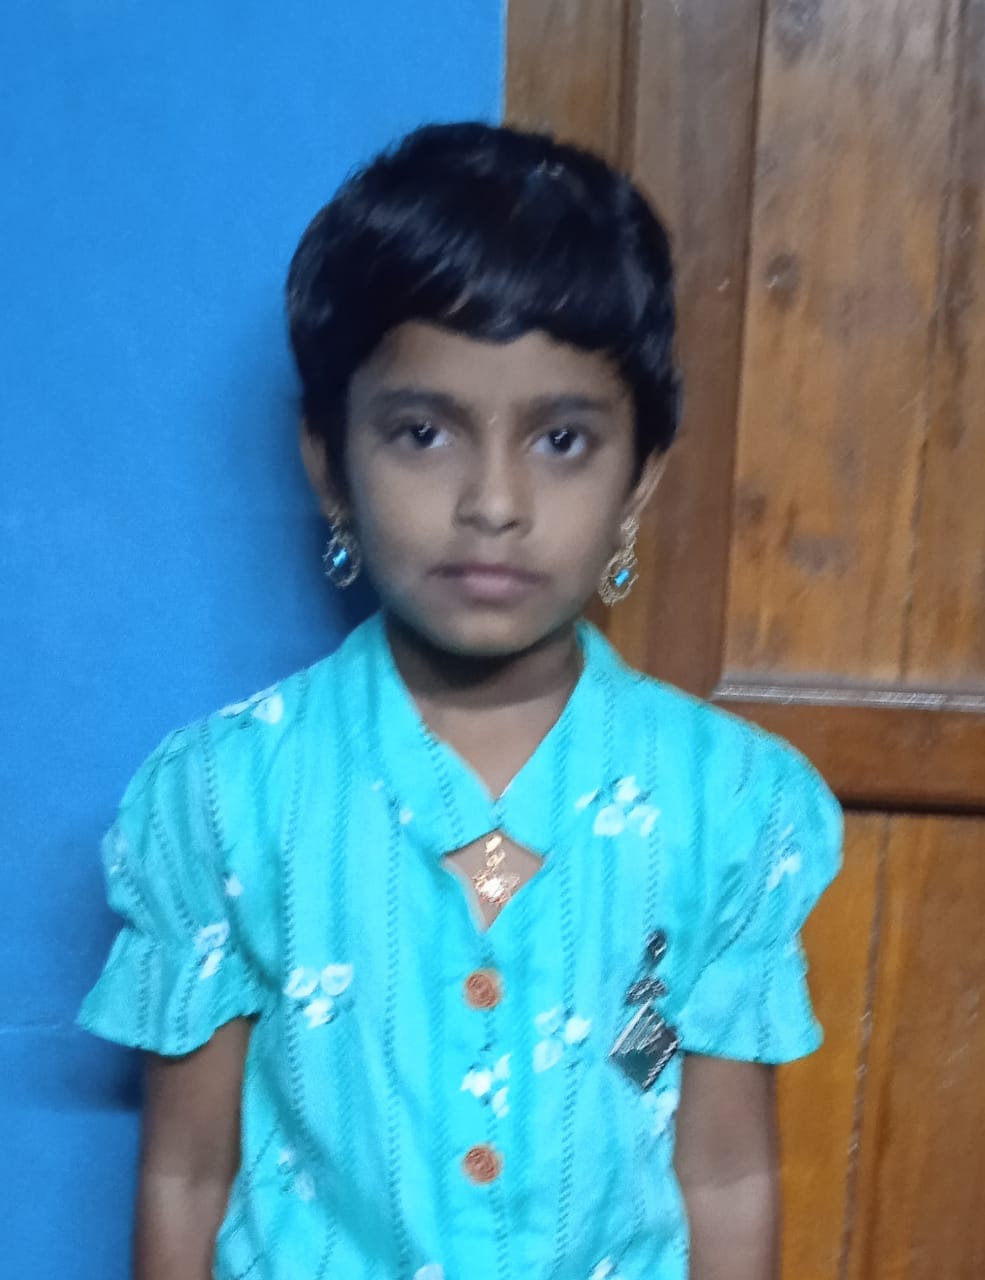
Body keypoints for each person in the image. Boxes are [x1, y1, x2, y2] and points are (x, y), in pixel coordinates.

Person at [79, 121, 842, 1280]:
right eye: (423, 432)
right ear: (330, 462)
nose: (494, 501)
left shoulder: (732, 803)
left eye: (562, 438)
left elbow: (726, 1177)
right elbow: (186, 1174)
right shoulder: (226, 799)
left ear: (639, 477)